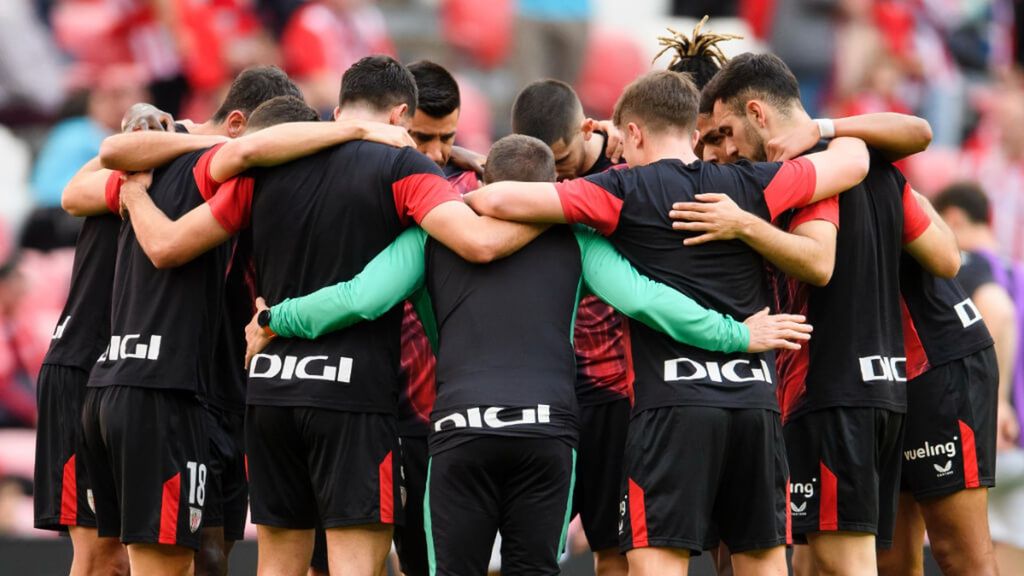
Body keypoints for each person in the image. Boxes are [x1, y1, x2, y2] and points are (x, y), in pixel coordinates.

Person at [241, 133, 813, 575]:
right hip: (548, 437)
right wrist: (736, 335)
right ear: (549, 188)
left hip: (461, 430)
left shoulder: (432, 233)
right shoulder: (577, 237)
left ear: (488, 182)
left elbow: (358, 300)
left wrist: (275, 317)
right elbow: (648, 301)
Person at [97, 54, 551, 575]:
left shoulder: (266, 169)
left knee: (278, 566)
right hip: (353, 398)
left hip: (269, 395)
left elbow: (173, 243)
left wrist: (132, 192)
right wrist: (555, 204)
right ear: (402, 114)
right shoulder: (403, 167)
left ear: (339, 109)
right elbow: (478, 245)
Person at [464, 69, 871, 576]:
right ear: (695, 134)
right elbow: (855, 159)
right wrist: (820, 130)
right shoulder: (750, 183)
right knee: (763, 563)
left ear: (632, 133)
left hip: (671, 409)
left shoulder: (621, 189)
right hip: (754, 405)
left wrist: (468, 189)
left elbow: (500, 198)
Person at [682, 52, 959, 576]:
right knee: (820, 560)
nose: (721, 152)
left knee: (842, 560)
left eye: (724, 134)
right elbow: (947, 257)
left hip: (833, 389)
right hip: (880, 387)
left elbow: (819, 261)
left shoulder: (812, 174)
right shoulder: (866, 158)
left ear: (758, 114)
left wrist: (742, 224)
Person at [59, 66, 303, 576]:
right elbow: (78, 194)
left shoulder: (170, 161)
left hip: (198, 381)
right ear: (236, 127)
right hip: (122, 372)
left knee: (204, 555)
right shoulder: (174, 160)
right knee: (112, 560)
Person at [510, 78, 630, 576]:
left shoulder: (631, 168)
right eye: (545, 164)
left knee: (612, 548)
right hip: (542, 390)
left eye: (561, 161)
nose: (553, 178)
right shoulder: (522, 176)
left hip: (613, 390)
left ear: (587, 129)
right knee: (531, 552)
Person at [935, 182, 1024, 576]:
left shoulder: (969, 262)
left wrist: (998, 401)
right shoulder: (1016, 270)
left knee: (970, 551)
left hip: (993, 435)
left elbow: (998, 311)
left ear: (953, 218)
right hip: (1018, 441)